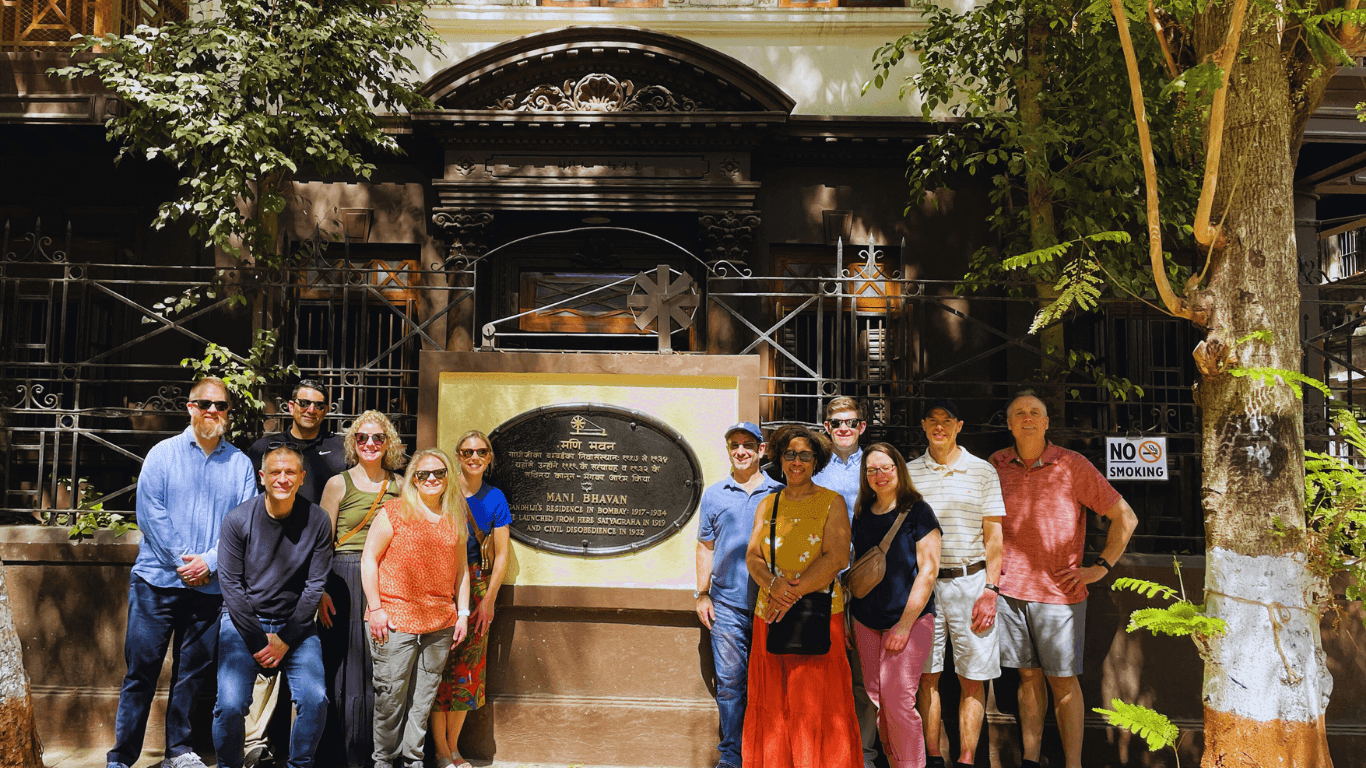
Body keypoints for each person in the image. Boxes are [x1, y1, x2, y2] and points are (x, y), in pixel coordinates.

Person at [106, 377, 257, 768]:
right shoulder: (162, 454)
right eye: (204, 403)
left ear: (228, 413)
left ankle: (179, 751)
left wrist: (207, 562)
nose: (212, 411)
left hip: (208, 588)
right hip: (156, 582)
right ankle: (122, 757)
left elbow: (243, 523)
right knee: (141, 672)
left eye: (220, 405)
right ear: (189, 407)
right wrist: (181, 561)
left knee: (191, 675)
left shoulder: (240, 464)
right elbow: (150, 513)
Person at [989, 392, 1138, 768]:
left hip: (1059, 595)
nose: (1027, 418)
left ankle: (1073, 764)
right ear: (1008, 424)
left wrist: (1100, 568)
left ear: (1046, 422)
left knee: (1062, 681)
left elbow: (1126, 518)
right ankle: (1031, 759)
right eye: (1019, 413)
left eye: (1035, 412)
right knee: (1027, 678)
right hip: (1009, 591)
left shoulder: (1071, 465)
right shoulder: (996, 464)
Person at [243, 379, 348, 768]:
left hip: (316, 576)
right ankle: (256, 747)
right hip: (266, 573)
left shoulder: (339, 452)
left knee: (309, 675)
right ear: (290, 406)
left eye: (319, 405)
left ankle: (304, 754)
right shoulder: (262, 447)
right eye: (304, 402)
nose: (310, 410)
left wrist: (318, 585)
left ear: (326, 410)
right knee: (262, 663)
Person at [743, 425, 860, 768]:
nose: (797, 462)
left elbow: (836, 558)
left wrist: (790, 593)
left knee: (815, 704)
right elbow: (752, 556)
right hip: (771, 616)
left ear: (816, 460)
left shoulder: (831, 502)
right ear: (780, 459)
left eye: (805, 455)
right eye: (790, 454)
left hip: (819, 615)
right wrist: (772, 585)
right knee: (775, 703)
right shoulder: (768, 504)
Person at [212, 446, 334, 768]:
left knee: (314, 698)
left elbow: (314, 586)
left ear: (302, 478)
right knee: (230, 705)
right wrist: (257, 640)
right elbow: (232, 587)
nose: (283, 479)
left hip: (296, 625)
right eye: (275, 473)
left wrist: (286, 638)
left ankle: (299, 764)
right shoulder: (238, 520)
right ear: (262, 477)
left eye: (290, 472)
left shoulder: (318, 521)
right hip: (243, 623)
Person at [909, 399, 1005, 768]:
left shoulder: (982, 471)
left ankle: (966, 759)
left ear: (958, 425)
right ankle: (932, 757)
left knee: (972, 677)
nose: (939, 427)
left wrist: (990, 589)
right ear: (923, 425)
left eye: (946, 421)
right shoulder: (911, 472)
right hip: (925, 587)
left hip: (972, 583)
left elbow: (993, 534)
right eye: (932, 421)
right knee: (926, 676)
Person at [362, 448, 471, 768]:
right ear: (413, 479)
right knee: (390, 699)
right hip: (394, 621)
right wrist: (376, 608)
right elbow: (369, 560)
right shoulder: (394, 512)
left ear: (449, 477)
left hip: (440, 623)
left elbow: (462, 570)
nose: (432, 479)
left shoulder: (455, 516)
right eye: (423, 474)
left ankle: (413, 761)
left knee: (423, 701)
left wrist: (462, 613)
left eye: (439, 473)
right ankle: (383, 762)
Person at [317, 411, 407, 767]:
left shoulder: (402, 485)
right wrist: (320, 589)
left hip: (388, 581)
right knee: (344, 663)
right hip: (342, 580)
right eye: (362, 438)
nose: (370, 444)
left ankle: (380, 751)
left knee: (381, 666)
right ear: (353, 443)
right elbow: (321, 541)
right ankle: (341, 753)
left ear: (389, 444)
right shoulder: (338, 484)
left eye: (378, 438)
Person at [695, 421, 783, 768]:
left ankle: (768, 754)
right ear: (729, 450)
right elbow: (705, 546)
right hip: (727, 607)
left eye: (749, 444)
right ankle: (732, 756)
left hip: (772, 606)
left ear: (762, 450)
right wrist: (702, 594)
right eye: (735, 445)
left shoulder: (780, 492)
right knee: (730, 686)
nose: (741, 450)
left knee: (770, 685)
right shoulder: (715, 494)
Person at [849, 443, 941, 768]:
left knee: (898, 700)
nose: (879, 475)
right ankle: (896, 761)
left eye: (885, 467)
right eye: (872, 470)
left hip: (909, 621)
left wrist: (904, 624)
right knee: (877, 699)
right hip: (865, 621)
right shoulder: (860, 515)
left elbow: (928, 571)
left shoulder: (918, 512)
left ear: (898, 469)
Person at [431, 431, 512, 768]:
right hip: (440, 582)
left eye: (480, 452)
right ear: (458, 456)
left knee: (466, 674)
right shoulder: (444, 491)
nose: (474, 457)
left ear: (489, 457)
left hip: (478, 583)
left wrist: (490, 598)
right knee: (438, 669)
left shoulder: (495, 498)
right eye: (467, 452)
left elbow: (504, 553)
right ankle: (439, 751)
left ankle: (455, 748)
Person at [812, 396, 880, 768]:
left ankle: (864, 755)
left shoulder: (876, 465)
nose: (843, 429)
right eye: (836, 422)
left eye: (851, 422)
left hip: (867, 585)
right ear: (826, 427)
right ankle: (826, 751)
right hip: (824, 584)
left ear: (862, 428)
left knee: (863, 676)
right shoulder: (815, 467)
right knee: (822, 668)